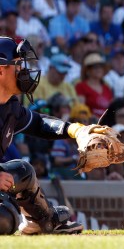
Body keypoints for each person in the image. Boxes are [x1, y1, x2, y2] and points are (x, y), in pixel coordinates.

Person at [0, 36, 84, 235]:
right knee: (4, 219)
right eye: (18, 64)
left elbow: (39, 123)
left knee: (23, 170)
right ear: (0, 69)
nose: (23, 70)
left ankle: (45, 222)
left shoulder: (10, 106)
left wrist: (76, 130)